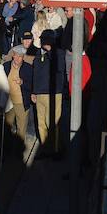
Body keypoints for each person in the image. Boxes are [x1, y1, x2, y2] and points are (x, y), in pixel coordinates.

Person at [32, 29, 66, 158]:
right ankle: (45, 148)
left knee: (53, 123)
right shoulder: (38, 54)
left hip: (54, 93)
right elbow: (36, 73)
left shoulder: (58, 54)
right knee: (41, 123)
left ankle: (55, 149)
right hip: (40, 93)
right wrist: (34, 91)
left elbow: (59, 70)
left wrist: (49, 52)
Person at [4, 46, 33, 149]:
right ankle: (6, 146)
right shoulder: (6, 66)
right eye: (16, 55)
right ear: (13, 56)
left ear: (23, 57)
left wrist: (22, 82)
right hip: (8, 101)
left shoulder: (28, 68)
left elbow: (32, 85)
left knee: (21, 127)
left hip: (21, 101)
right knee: (7, 126)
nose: (17, 58)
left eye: (20, 56)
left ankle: (19, 149)